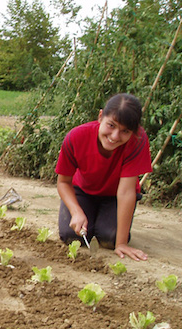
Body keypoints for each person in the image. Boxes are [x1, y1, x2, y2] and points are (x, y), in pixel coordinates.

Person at [56, 93, 152, 262]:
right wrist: (76, 211)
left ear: (134, 132)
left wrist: (121, 243)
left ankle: (105, 226)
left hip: (115, 197)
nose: (115, 136)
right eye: (111, 125)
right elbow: (63, 182)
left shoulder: (138, 141)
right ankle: (88, 215)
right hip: (83, 191)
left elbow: (126, 192)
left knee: (110, 238)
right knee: (71, 235)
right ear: (100, 116)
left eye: (125, 131)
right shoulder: (76, 137)